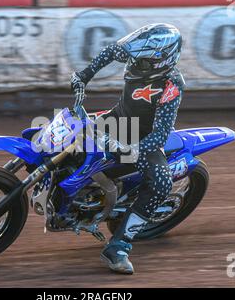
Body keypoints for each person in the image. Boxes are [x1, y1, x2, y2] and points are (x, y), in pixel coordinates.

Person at [70, 23, 185, 274]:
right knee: (69, 139)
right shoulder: (136, 58)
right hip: (116, 121)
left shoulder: (172, 85)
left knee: (161, 183)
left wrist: (129, 147)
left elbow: (159, 136)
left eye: (144, 56)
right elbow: (113, 51)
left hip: (143, 139)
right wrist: (84, 75)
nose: (136, 59)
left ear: (162, 58)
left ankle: (119, 246)